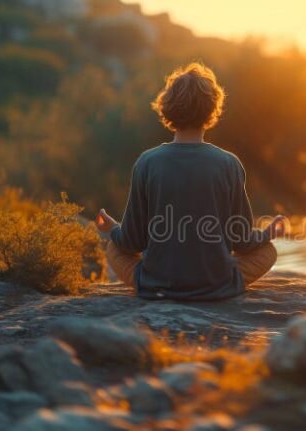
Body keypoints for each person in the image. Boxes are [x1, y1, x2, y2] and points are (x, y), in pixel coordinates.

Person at [95, 63, 284, 300]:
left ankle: (154, 281)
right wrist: (267, 234)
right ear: (212, 110)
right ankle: (221, 283)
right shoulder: (229, 163)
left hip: (157, 286)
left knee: (114, 247)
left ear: (167, 107)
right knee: (268, 252)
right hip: (216, 286)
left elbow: (131, 242)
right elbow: (243, 241)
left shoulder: (147, 162)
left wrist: (111, 228)